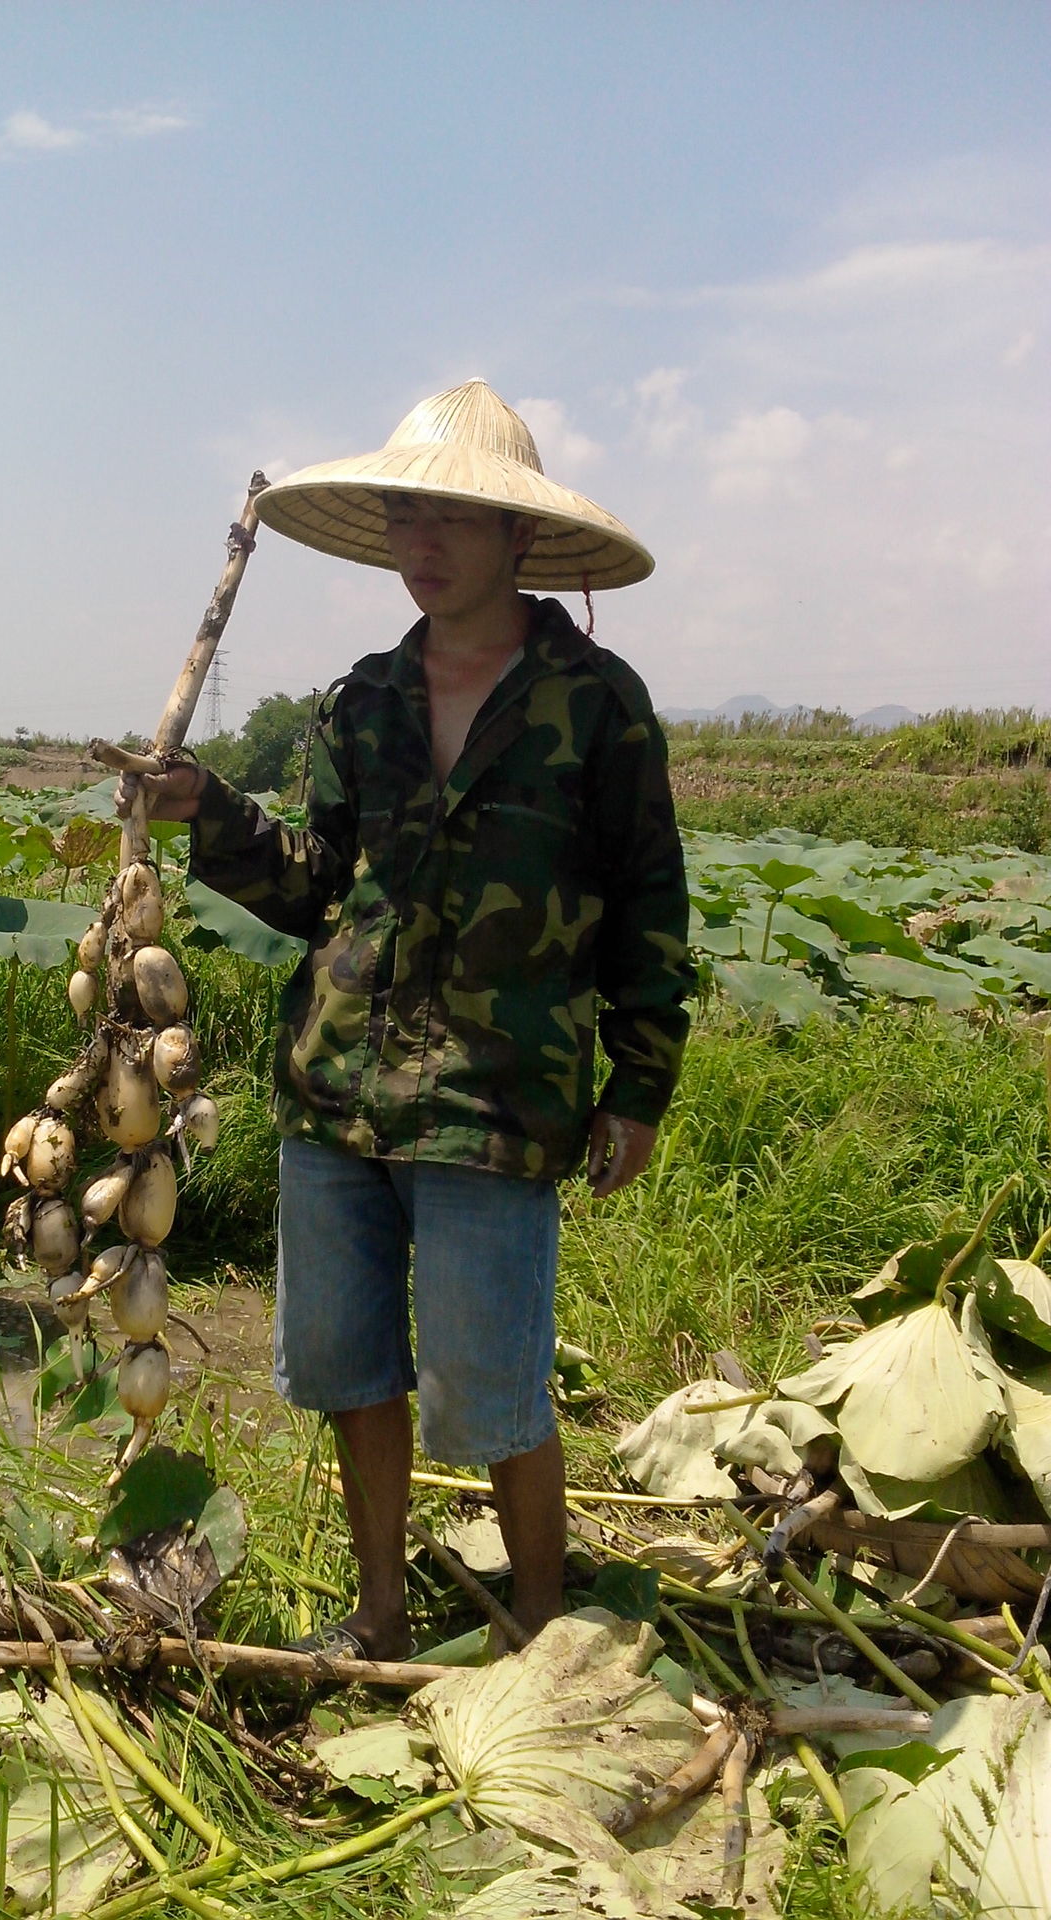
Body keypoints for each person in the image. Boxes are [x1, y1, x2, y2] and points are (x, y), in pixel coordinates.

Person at [119, 380, 693, 1656]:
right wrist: (205, 810)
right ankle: (379, 1614)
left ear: (518, 540)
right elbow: (318, 882)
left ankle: (541, 1632)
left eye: (448, 521)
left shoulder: (599, 706)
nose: (418, 547)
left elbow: (653, 904)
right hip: (335, 1090)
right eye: (401, 519)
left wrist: (640, 1086)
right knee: (347, 1368)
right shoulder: (360, 701)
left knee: (491, 1387)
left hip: (499, 1100)